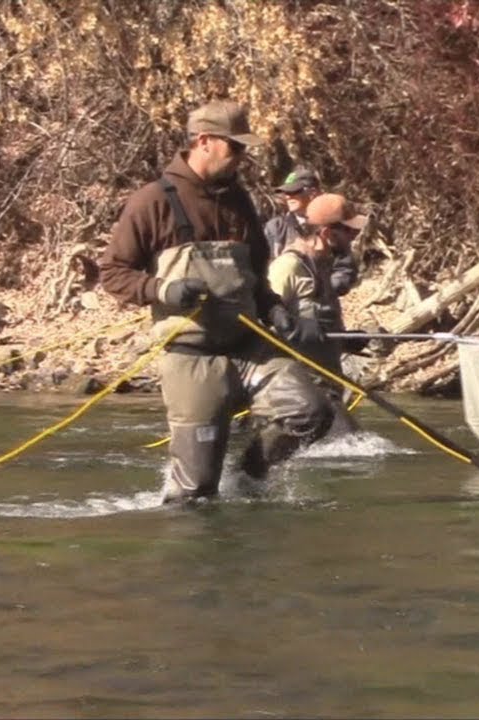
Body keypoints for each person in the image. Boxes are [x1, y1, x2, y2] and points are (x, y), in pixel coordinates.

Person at [97, 99, 334, 503]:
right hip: (191, 355)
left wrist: (274, 307)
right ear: (204, 141)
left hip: (249, 346)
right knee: (195, 493)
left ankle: (247, 480)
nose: (242, 156)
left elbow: (256, 273)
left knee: (310, 412)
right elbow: (113, 273)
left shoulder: (239, 200)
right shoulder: (152, 201)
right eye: (234, 146)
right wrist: (164, 290)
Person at [267, 193, 368, 434]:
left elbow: (319, 323)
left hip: (328, 387)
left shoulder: (322, 264)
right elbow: (263, 323)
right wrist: (295, 329)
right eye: (349, 231)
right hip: (298, 395)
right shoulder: (288, 266)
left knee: (350, 445)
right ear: (327, 233)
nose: (354, 237)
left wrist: (343, 339)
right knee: (354, 446)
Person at [264, 166, 360, 297]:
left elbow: (345, 269)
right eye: (285, 193)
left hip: (323, 301)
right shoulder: (275, 227)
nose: (288, 197)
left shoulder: (331, 224)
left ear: (313, 192)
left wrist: (320, 290)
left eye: (294, 191)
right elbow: (264, 267)